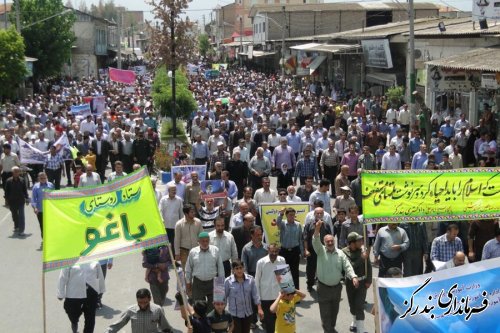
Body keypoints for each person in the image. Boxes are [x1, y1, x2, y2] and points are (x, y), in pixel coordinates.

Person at [312, 220, 358, 333]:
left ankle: (331, 328)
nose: (330, 243)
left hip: (337, 289)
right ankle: (328, 330)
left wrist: (353, 276)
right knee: (325, 313)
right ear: (324, 242)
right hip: (323, 288)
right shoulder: (320, 251)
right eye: (328, 241)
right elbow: (315, 240)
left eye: (332, 241)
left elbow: (347, 265)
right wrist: (317, 228)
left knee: (334, 312)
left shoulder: (340, 253)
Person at [57, 261, 105, 333]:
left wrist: (101, 290)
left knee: (90, 318)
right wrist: (60, 293)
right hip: (73, 294)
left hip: (91, 293)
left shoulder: (94, 261)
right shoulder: (68, 261)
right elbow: (62, 278)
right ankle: (74, 323)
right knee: (73, 314)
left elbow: (100, 276)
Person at [185, 232, 225, 313]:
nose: (205, 243)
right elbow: (188, 269)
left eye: (207, 241)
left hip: (213, 283)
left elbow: (220, 268)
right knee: (199, 308)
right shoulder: (193, 252)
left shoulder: (215, 250)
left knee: (213, 308)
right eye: (203, 241)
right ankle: (201, 324)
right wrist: (188, 284)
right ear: (198, 241)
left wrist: (221, 285)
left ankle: (211, 324)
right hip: (198, 283)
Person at [104, 288, 173, 333]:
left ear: (149, 299)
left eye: (145, 302)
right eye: (140, 302)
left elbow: (166, 328)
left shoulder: (158, 310)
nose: (142, 305)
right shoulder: (130, 310)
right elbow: (118, 324)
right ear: (137, 300)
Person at [342, 232, 372, 333]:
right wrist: (361, 258)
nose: (361, 242)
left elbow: (369, 266)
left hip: (362, 282)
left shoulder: (363, 250)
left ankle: (361, 329)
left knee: (359, 305)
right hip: (350, 282)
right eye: (359, 240)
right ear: (352, 243)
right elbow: (349, 267)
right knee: (352, 304)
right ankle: (354, 321)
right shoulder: (344, 252)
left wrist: (369, 280)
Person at [224, 260, 263, 333]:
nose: (239, 270)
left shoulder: (250, 279)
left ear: (244, 268)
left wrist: (259, 308)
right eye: (237, 268)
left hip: (247, 313)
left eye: (241, 268)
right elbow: (224, 298)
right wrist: (222, 313)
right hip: (234, 315)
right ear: (233, 270)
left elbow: (255, 295)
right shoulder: (228, 281)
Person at [255, 243, 286, 333]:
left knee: (280, 323)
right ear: (268, 250)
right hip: (266, 298)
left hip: (279, 297)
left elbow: (284, 279)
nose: (274, 254)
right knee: (270, 326)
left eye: (276, 251)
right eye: (272, 251)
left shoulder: (282, 260)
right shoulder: (261, 263)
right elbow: (256, 282)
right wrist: (258, 303)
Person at [303, 208, 332, 292]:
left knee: (323, 269)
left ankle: (323, 284)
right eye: (317, 213)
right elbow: (305, 238)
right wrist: (306, 250)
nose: (319, 215)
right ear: (314, 214)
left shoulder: (326, 225)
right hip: (312, 251)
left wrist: (330, 249)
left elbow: (330, 238)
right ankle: (310, 284)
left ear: (323, 214)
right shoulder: (309, 225)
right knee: (310, 269)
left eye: (321, 213)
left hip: (323, 251)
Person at [275, 207, 304, 290]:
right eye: (290, 215)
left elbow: (300, 239)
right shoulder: (283, 224)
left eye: (293, 215)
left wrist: (302, 252)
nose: (292, 216)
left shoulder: (298, 225)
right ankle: (287, 294)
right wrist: (280, 214)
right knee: (284, 273)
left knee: (295, 273)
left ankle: (296, 294)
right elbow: (278, 223)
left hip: (295, 251)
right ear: (286, 215)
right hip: (284, 251)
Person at [174, 205, 203, 270]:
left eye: (194, 212)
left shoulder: (198, 222)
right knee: (186, 271)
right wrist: (177, 253)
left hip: (196, 251)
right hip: (184, 252)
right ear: (186, 214)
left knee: (196, 270)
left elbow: (201, 237)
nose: (194, 213)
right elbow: (177, 240)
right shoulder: (179, 224)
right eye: (192, 212)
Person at [5, 166, 30, 236]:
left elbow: (25, 190)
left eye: (18, 171)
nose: (16, 173)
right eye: (15, 171)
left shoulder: (22, 180)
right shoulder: (8, 181)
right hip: (12, 201)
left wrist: (27, 198)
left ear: (19, 172)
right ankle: (16, 226)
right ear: (12, 173)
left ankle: (21, 230)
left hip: (21, 201)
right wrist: (7, 201)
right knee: (14, 215)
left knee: (21, 216)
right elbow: (6, 192)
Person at [159, 184, 183, 254]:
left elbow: (181, 213)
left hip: (175, 226)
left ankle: (174, 261)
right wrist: (161, 219)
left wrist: (182, 223)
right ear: (168, 191)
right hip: (165, 226)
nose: (174, 191)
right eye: (172, 190)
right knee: (165, 244)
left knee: (174, 244)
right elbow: (160, 210)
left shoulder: (179, 200)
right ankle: (166, 259)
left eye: (175, 190)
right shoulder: (163, 199)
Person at [31, 172, 54, 239]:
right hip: (40, 210)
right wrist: (35, 208)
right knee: (42, 225)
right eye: (41, 178)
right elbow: (33, 198)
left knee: (50, 225)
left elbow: (55, 196)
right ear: (39, 178)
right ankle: (44, 239)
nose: (43, 179)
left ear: (46, 177)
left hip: (50, 209)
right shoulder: (36, 187)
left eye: (44, 178)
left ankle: (50, 238)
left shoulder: (51, 185)